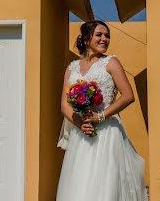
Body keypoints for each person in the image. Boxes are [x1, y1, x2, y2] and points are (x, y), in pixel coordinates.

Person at [56, 20, 148, 200]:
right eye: (99, 35)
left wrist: (101, 116)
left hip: (107, 132)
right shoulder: (72, 68)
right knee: (80, 182)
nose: (104, 39)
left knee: (105, 182)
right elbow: (64, 105)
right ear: (86, 38)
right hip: (82, 134)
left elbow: (128, 95)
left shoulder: (111, 62)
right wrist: (80, 124)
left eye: (107, 36)